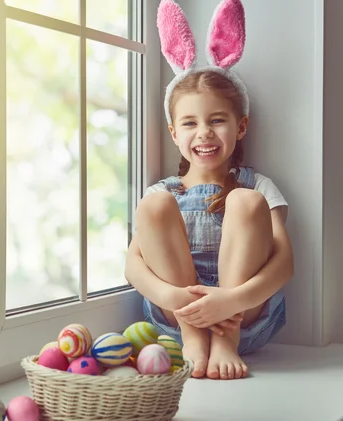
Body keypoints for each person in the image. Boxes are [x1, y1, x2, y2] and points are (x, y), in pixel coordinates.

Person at [125, 0, 294, 380]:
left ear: (241, 127)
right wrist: (175, 300)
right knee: (153, 206)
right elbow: (133, 264)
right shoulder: (165, 191)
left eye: (216, 120)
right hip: (179, 315)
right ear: (174, 133)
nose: (203, 132)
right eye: (189, 123)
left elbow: (283, 262)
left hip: (243, 311)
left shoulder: (257, 186)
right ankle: (194, 338)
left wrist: (232, 301)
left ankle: (224, 339)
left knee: (245, 201)